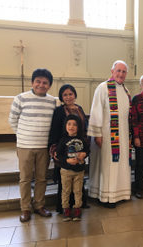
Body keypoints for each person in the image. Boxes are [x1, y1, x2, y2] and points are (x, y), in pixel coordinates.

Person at [9, 68, 56, 222]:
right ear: (32, 82)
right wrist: (22, 135)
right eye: (38, 81)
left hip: (44, 147)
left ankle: (39, 205)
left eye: (45, 83)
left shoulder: (52, 101)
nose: (41, 85)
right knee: (25, 179)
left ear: (49, 86)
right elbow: (12, 120)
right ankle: (25, 208)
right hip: (25, 146)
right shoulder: (21, 98)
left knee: (42, 178)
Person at [88, 60, 132, 208]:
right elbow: (96, 111)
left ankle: (120, 192)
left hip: (123, 136)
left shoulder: (126, 91)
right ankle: (107, 196)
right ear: (112, 71)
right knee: (109, 165)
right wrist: (97, 134)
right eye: (118, 71)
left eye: (123, 71)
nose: (121, 74)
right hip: (108, 136)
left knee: (121, 164)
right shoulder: (103, 87)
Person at [48, 84, 90, 214]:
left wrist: (85, 146)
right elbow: (55, 130)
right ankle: (64, 207)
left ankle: (79, 204)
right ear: (61, 97)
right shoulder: (59, 111)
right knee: (65, 179)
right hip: (65, 147)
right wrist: (55, 148)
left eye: (70, 94)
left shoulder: (79, 108)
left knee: (78, 176)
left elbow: (84, 127)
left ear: (75, 95)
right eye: (65, 95)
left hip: (79, 146)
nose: (68, 97)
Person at [56, 115, 90, 221]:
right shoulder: (63, 140)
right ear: (65, 126)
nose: (72, 126)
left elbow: (88, 151)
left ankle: (77, 208)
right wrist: (67, 160)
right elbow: (59, 155)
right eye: (69, 124)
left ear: (79, 127)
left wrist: (84, 154)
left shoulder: (82, 139)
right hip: (66, 170)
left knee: (78, 191)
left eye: (75, 124)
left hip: (79, 171)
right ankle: (66, 209)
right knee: (66, 190)